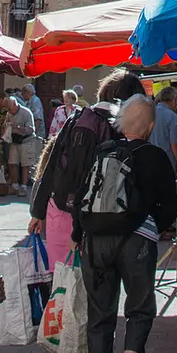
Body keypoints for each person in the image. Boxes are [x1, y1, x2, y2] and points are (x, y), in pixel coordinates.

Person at [79, 95, 177, 353]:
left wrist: (80, 233)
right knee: (140, 306)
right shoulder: (156, 156)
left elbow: (84, 194)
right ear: (149, 127)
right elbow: (171, 206)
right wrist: (152, 227)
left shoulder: (103, 150)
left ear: (122, 122)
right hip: (137, 240)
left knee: (99, 308)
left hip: (96, 240)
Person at [31, 69, 148, 271]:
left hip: (60, 210)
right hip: (99, 220)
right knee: (93, 290)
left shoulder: (78, 118)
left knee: (61, 286)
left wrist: (38, 211)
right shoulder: (120, 130)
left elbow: (52, 163)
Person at [4, 92, 38, 187]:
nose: (9, 111)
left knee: (25, 164)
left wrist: (19, 128)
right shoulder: (9, 114)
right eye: (7, 109)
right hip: (14, 140)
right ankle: (14, 185)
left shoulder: (26, 113)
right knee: (12, 162)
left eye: (10, 109)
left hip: (26, 140)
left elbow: (31, 129)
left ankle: (23, 186)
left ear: (15, 104)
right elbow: (6, 125)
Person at [152, 85, 177, 172]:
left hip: (149, 157)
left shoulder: (149, 113)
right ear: (174, 100)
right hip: (167, 160)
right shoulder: (173, 117)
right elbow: (174, 144)